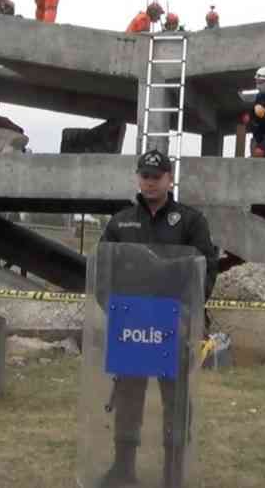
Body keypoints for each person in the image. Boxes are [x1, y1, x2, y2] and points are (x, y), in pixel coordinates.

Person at [97, 149, 218, 488]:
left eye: (156, 176)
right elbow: (103, 272)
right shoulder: (120, 222)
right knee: (128, 401)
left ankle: (173, 474)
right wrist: (116, 313)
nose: (149, 182)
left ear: (170, 179)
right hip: (132, 328)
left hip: (173, 328)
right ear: (138, 178)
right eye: (145, 176)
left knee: (176, 403)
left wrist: (189, 313)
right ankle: (123, 470)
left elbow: (206, 270)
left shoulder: (191, 222)